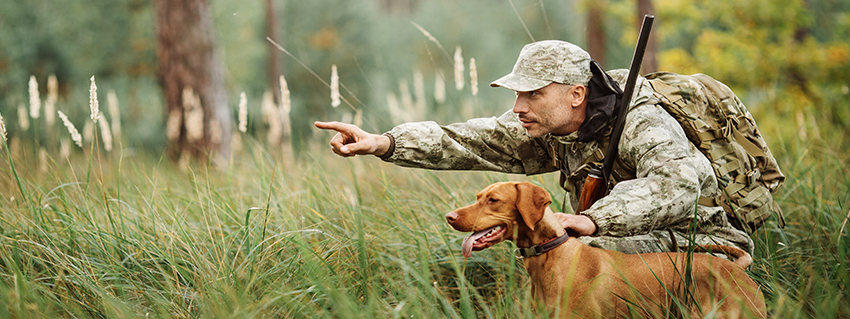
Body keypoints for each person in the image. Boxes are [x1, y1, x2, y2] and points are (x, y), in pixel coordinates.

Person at [315, 40, 754, 255]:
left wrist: (590, 219)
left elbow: (677, 185)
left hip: (705, 242)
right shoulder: (549, 125)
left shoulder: (641, 120)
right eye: (517, 95)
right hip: (618, 236)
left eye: (532, 95)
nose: (518, 107)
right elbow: (467, 140)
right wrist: (384, 142)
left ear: (576, 95)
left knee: (577, 257)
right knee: (558, 257)